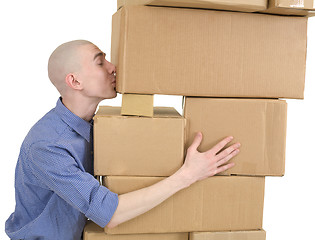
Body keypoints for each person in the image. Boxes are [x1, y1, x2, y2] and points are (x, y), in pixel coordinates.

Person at [5, 40, 241, 240]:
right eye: (100, 62)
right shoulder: (48, 146)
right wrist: (188, 174)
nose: (112, 67)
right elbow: (110, 214)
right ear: (75, 82)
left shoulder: (94, 126)